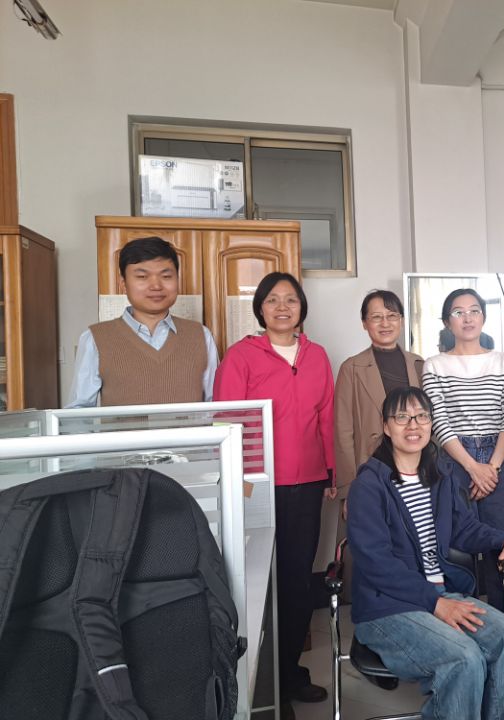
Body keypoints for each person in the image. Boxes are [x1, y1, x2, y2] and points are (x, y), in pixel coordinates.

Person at [348, 386, 504, 720]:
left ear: (431, 424)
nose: (413, 425)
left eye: (421, 416)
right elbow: (376, 563)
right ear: (386, 426)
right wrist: (435, 603)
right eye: (402, 417)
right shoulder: (369, 486)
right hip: (386, 608)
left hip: (440, 594)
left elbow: (464, 528)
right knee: (464, 658)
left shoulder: (438, 476)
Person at [213, 272, 336, 720]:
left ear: (302, 307)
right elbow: (227, 421)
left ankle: (289, 672)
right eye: (272, 300)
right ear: (260, 309)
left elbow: (326, 417)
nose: (282, 307)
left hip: (308, 483)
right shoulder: (242, 356)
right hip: (258, 485)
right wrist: (240, 478)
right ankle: (263, 683)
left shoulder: (317, 355)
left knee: (299, 581)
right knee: (260, 584)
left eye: (291, 300)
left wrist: (332, 472)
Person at [421, 288, 504, 617]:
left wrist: (491, 467)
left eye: (474, 310)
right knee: (456, 552)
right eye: (458, 312)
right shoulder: (434, 365)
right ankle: (461, 630)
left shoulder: (502, 360)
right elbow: (438, 420)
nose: (467, 318)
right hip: (454, 460)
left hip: (498, 456)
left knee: (503, 548)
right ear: (447, 322)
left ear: (483, 317)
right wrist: (472, 467)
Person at [67, 236, 218, 407]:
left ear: (177, 279)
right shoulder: (95, 339)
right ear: (123, 284)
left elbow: (215, 406)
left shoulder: (201, 336)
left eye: (166, 276)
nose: (156, 286)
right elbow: (78, 412)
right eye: (142, 276)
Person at [335, 289, 423, 504]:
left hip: (415, 468)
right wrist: (349, 489)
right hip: (370, 468)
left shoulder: (419, 364)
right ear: (364, 323)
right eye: (376, 317)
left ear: (401, 320)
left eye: (392, 316)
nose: (385, 323)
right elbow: (343, 432)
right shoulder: (351, 368)